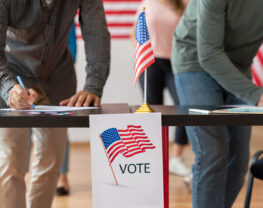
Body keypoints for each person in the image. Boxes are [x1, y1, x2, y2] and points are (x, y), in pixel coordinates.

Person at [0, 1, 110, 208]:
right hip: (12, 73)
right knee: (11, 161)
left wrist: (93, 86)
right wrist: (8, 87)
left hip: (57, 76)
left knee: (51, 161)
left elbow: (97, 33)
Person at [171, 0, 263, 207]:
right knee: (213, 149)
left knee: (239, 159)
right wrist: (256, 94)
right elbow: (209, 53)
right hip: (195, 61)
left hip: (238, 65)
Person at [134, 0, 191, 178]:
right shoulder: (147, 3)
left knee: (185, 108)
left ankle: (176, 158)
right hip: (150, 62)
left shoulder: (185, 4)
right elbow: (134, 34)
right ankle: (154, 159)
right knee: (152, 109)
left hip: (177, 63)